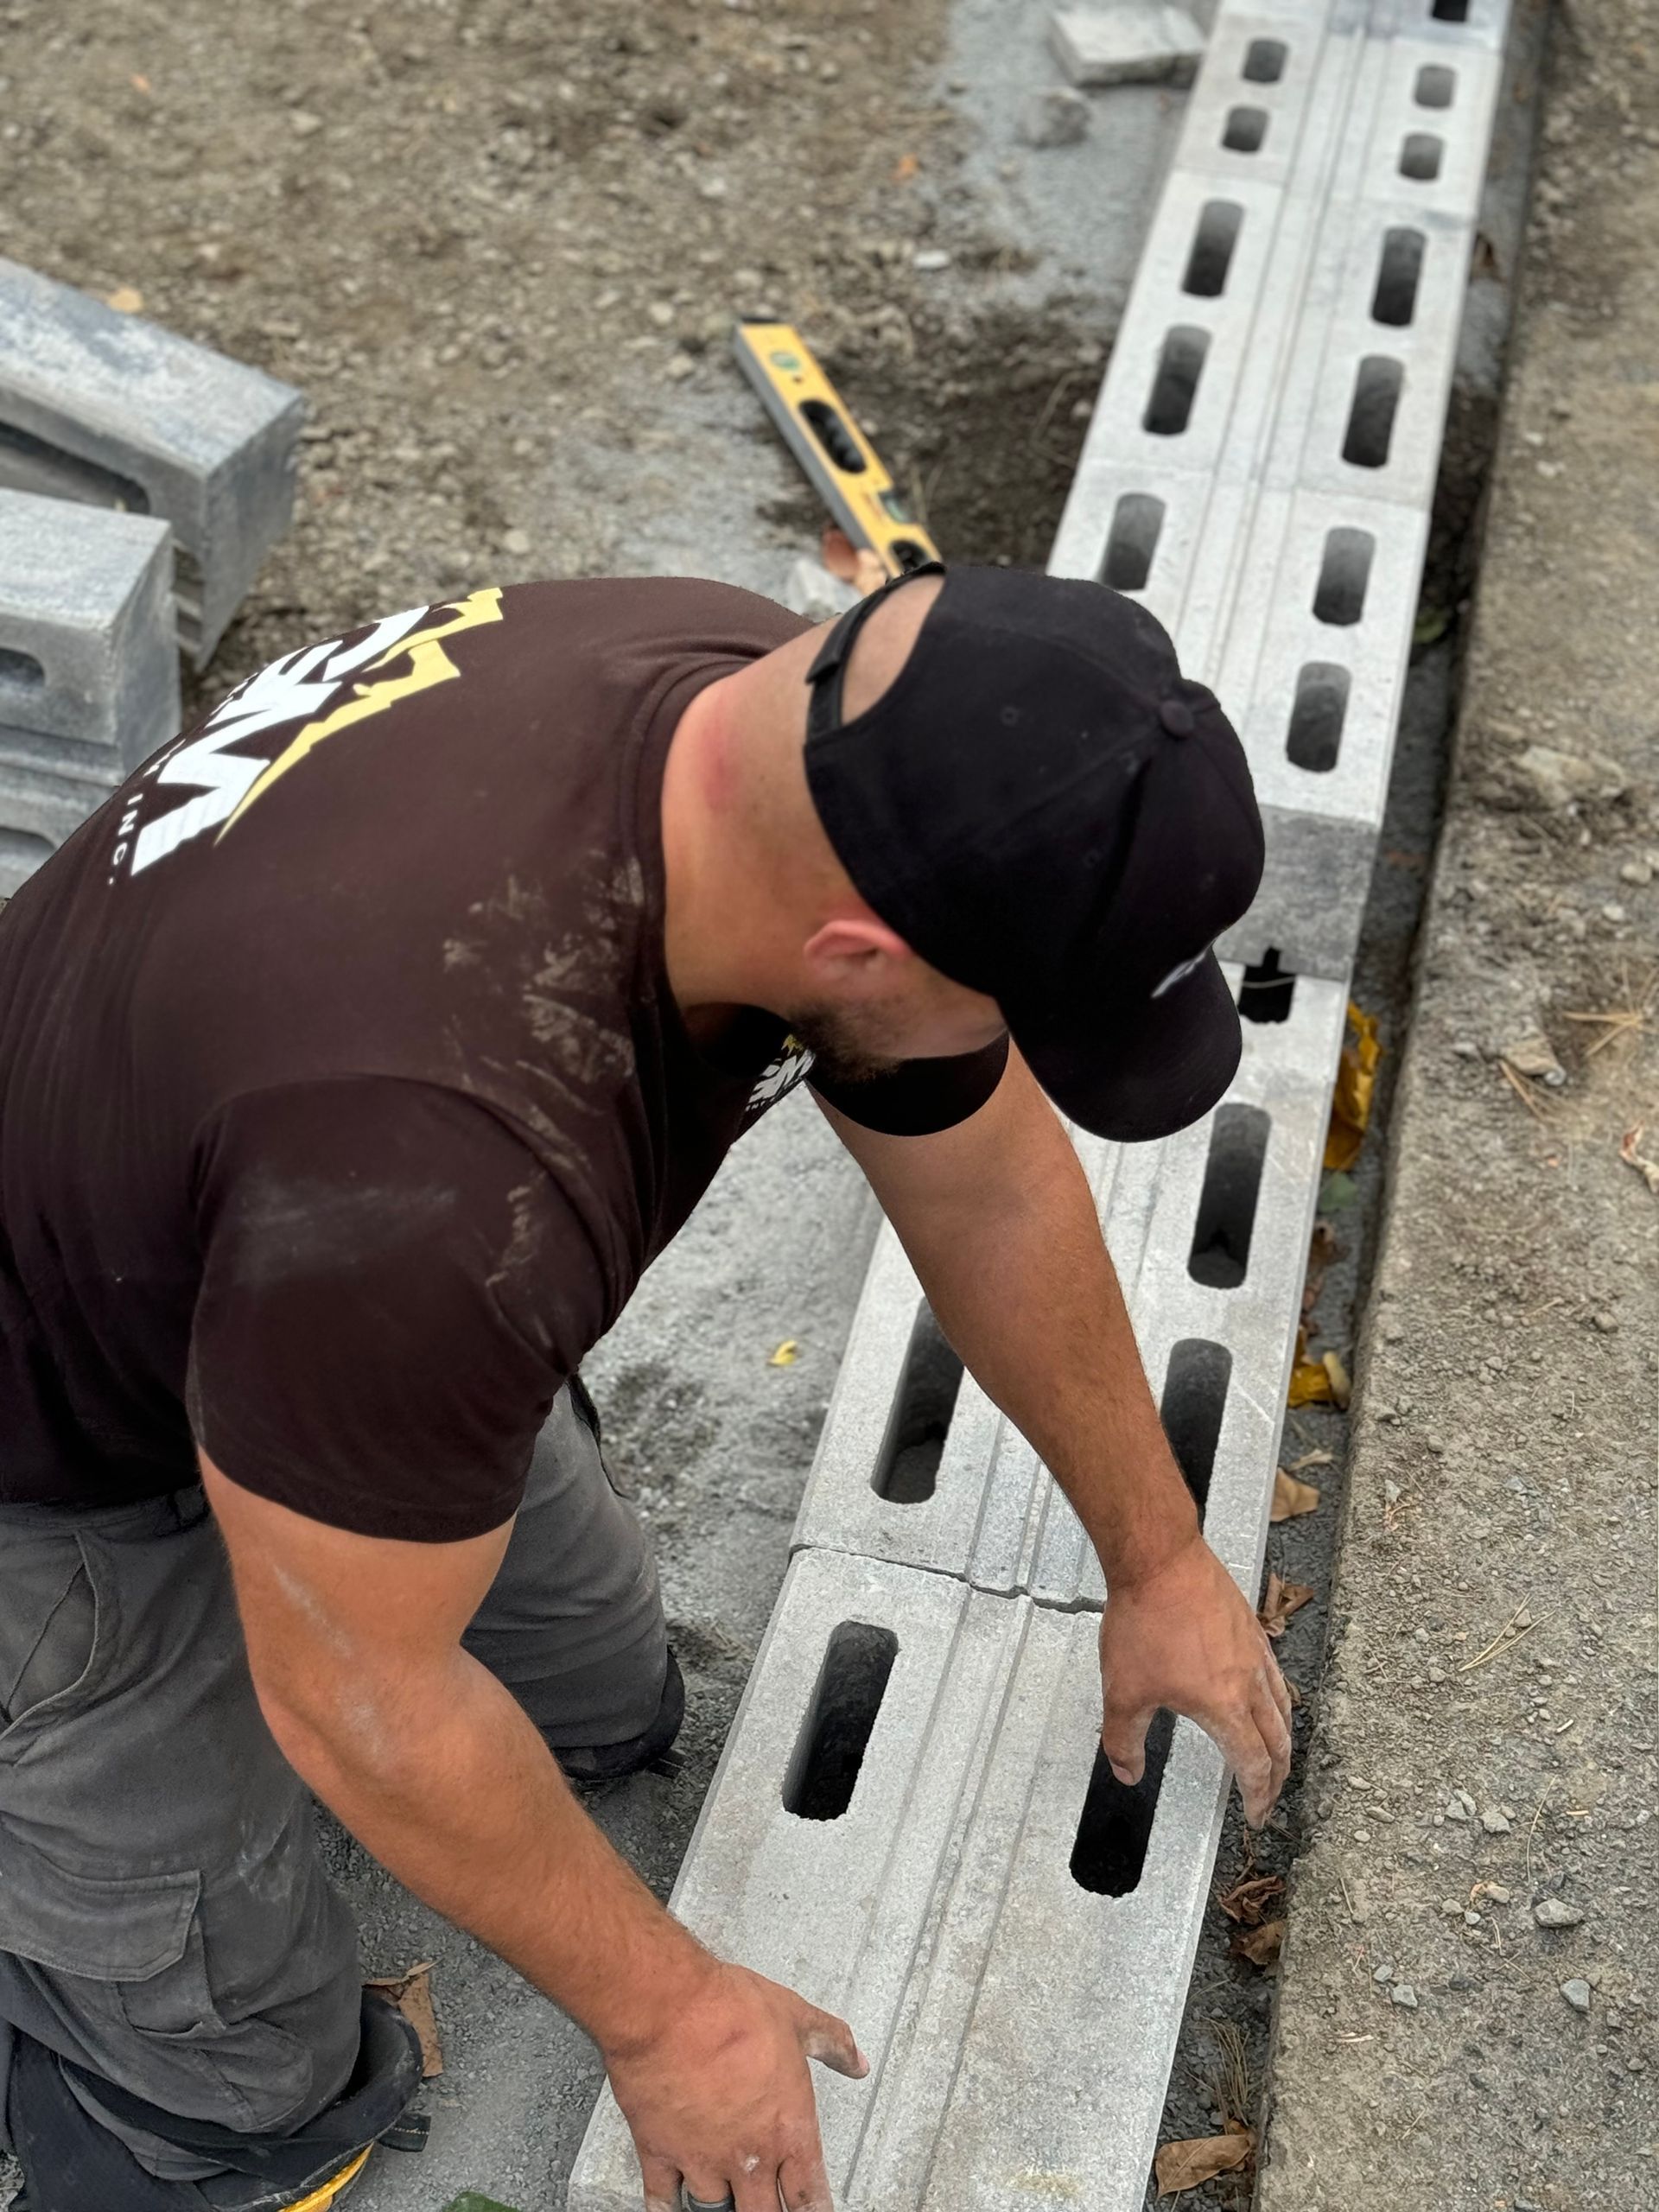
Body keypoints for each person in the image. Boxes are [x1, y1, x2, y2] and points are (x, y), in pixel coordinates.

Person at [0, 562, 1293, 2212]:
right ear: (861, 953)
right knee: (241, 2089)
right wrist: (672, 2020)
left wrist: (1156, 1553)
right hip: (47, 1464)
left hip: (274, 1277)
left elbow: (981, 1177)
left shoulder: (764, 702)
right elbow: (359, 1698)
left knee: (607, 1711)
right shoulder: (444, 1159)